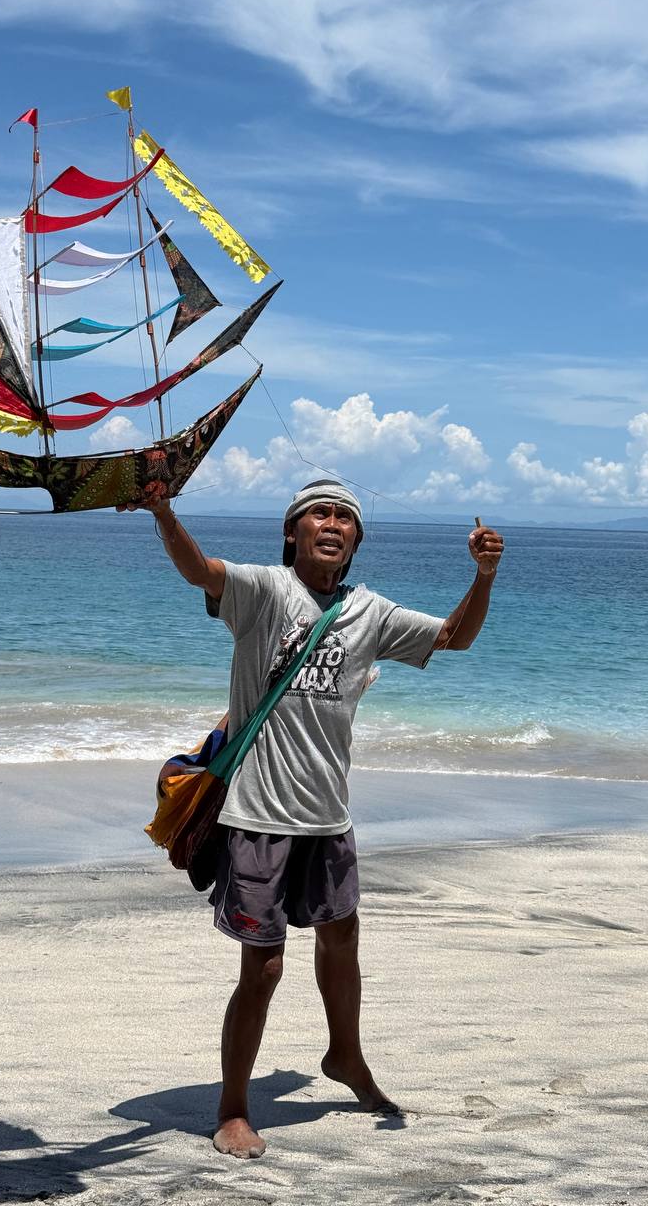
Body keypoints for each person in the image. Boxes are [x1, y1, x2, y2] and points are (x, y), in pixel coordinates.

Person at [126, 480, 504, 1158]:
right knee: (264, 967)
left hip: (328, 816)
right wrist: (163, 512)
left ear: (356, 540)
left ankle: (345, 1058)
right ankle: (234, 1107)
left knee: (342, 941)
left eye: (345, 519)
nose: (333, 525)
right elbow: (197, 570)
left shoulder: (370, 612)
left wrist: (483, 576)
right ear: (293, 532)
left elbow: (455, 638)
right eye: (319, 515)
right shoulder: (263, 592)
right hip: (259, 812)